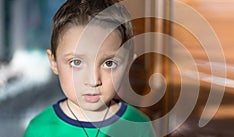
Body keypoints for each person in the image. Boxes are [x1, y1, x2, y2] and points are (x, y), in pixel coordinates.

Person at [24, 0, 155, 136]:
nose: (93, 81)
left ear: (127, 65)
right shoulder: (39, 130)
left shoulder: (138, 126)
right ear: (54, 62)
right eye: (76, 62)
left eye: (108, 63)